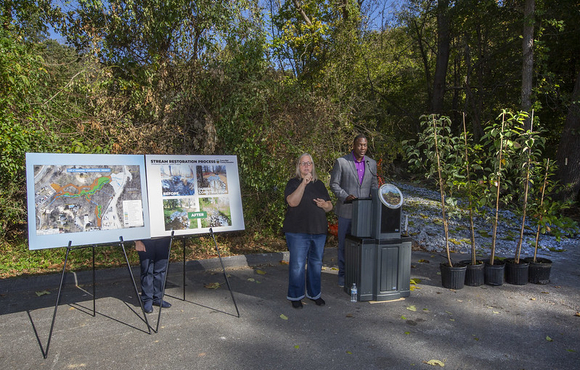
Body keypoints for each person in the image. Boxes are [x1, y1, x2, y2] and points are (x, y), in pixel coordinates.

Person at [282, 153, 333, 309]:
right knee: (297, 265)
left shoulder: (320, 184)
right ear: (299, 166)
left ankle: (314, 294)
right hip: (297, 231)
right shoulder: (293, 183)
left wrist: (325, 205)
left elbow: (330, 206)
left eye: (309, 163)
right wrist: (303, 184)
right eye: (303, 163)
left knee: (316, 264)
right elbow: (292, 202)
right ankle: (296, 296)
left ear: (313, 166)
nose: (306, 166)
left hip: (318, 230)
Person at [330, 134, 379, 287]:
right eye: (359, 145)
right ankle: (343, 276)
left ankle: (358, 276)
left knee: (362, 246)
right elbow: (334, 184)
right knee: (344, 245)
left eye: (365, 145)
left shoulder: (372, 163)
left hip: (364, 213)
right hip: (346, 211)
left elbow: (374, 186)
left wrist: (377, 202)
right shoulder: (342, 162)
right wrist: (345, 196)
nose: (362, 148)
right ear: (353, 145)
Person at [135, 237, 172, 313]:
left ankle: (158, 298)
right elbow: (135, 225)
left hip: (163, 238)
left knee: (161, 269)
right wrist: (137, 241)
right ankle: (147, 299)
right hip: (145, 239)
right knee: (147, 270)